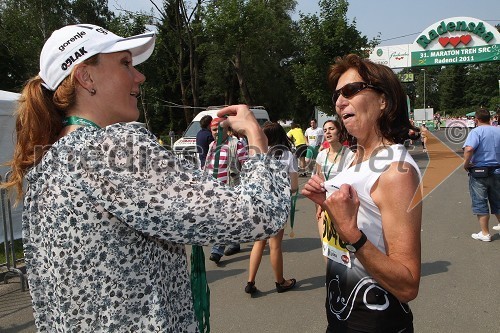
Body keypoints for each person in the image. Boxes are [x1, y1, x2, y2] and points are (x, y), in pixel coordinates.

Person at [1, 24, 291, 332]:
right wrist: (257, 140)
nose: (140, 76)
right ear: (86, 77)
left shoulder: (49, 163)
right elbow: (259, 214)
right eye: (125, 63)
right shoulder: (114, 148)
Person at [302, 54, 422, 332]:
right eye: (336, 95)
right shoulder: (354, 159)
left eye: (351, 91)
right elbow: (336, 252)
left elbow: (408, 285)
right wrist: (324, 207)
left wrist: (351, 233)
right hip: (340, 316)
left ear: (383, 100)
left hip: (376, 323)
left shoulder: (396, 171)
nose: (339, 101)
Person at [245, 122, 298, 294]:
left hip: (260, 204)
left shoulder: (258, 154)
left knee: (258, 243)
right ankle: (280, 282)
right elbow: (295, 185)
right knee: (275, 245)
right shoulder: (288, 155)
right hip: (278, 204)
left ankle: (250, 281)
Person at [204, 117, 247, 263]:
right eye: (214, 129)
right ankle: (234, 243)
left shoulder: (236, 145)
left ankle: (217, 250)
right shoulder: (211, 145)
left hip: (230, 188)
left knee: (223, 219)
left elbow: (246, 166)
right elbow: (208, 166)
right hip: (213, 189)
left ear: (227, 130)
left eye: (220, 129)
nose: (217, 132)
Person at [462, 108, 500, 242]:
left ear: (476, 119)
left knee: (480, 201)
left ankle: (485, 233)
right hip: (497, 169)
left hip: (480, 171)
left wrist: (466, 163)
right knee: (497, 199)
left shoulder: (476, 131)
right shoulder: (498, 130)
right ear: (489, 118)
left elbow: (469, 148)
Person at [314, 120, 354, 243]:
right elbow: (319, 180)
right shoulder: (321, 155)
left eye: (331, 129)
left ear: (339, 132)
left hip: (343, 204)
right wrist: (320, 204)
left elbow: (352, 183)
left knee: (344, 242)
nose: (328, 132)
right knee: (327, 243)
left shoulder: (350, 155)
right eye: (325, 130)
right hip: (326, 203)